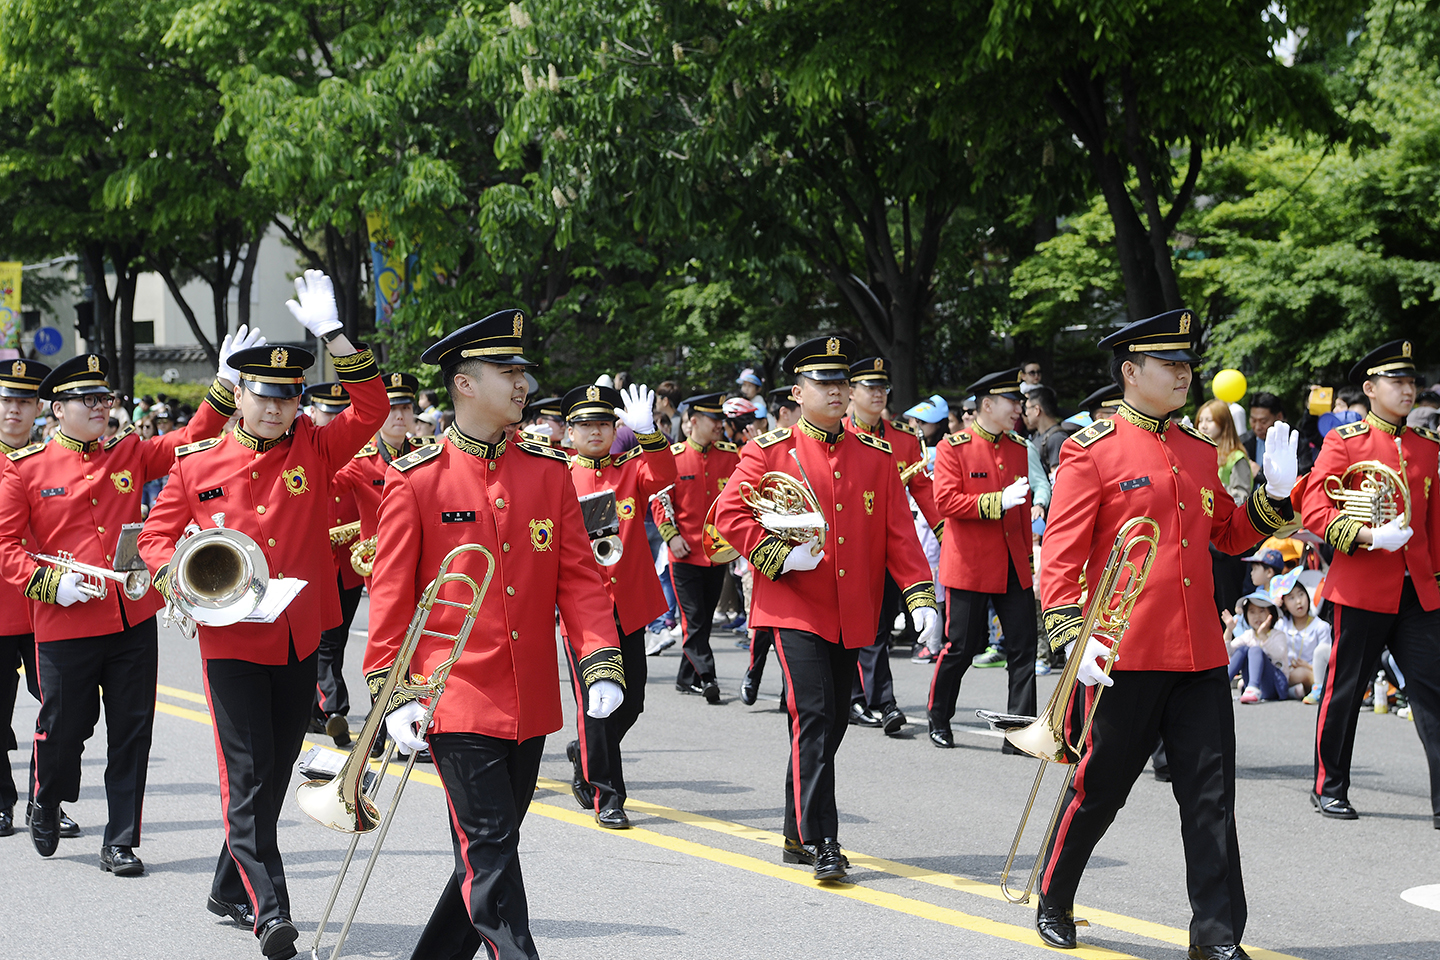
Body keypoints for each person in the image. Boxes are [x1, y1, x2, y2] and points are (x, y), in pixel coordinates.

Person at [362, 308, 624, 960]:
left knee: (489, 852)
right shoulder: (417, 477)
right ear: (463, 385)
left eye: (521, 371)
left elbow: (581, 581)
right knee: (490, 854)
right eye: (505, 372)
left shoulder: (546, 470)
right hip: (453, 699)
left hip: (529, 698)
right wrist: (393, 695)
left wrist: (600, 662)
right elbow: (391, 599)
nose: (522, 384)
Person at [1035, 308, 1298, 958]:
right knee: (1101, 791)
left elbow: (1231, 536)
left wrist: (1280, 497)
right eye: (1169, 364)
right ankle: (1054, 893)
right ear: (1131, 371)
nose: (1184, 373)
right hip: (1125, 653)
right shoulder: (1088, 448)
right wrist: (1073, 636)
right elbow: (1060, 556)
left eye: (1187, 364)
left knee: (1210, 801)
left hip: (1201, 656)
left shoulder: (1198, 451)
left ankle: (1214, 937)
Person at [139, 275, 388, 960]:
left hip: (299, 634)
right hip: (229, 642)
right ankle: (270, 912)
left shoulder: (317, 445)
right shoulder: (197, 464)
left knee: (274, 773)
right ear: (238, 394)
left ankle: (227, 885)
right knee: (247, 777)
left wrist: (334, 336)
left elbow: (372, 406)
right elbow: (157, 539)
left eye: (288, 397)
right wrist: (175, 578)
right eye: (264, 395)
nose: (277, 409)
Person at [0, 335, 254, 874]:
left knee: (132, 730)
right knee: (64, 729)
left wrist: (226, 383)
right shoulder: (24, 469)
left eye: (104, 398)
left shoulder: (132, 453)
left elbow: (195, 436)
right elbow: (6, 550)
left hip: (131, 615)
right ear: (58, 408)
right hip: (66, 621)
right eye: (86, 399)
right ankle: (47, 797)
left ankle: (120, 840)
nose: (99, 407)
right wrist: (50, 584)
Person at [712, 335, 939, 881]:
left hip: (852, 610)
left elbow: (898, 536)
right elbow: (727, 515)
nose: (836, 391)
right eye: (823, 382)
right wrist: (774, 556)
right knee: (813, 717)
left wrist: (920, 594)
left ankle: (796, 829)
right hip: (793, 609)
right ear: (798, 390)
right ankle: (822, 840)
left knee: (833, 720)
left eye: (842, 382)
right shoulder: (769, 450)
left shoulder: (876, 456)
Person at [1300, 339, 1440, 826]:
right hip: (1361, 589)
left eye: (1412, 382)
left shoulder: (1426, 447)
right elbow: (1317, 509)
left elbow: (1435, 526)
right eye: (1398, 381)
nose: (1409, 389)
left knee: (1433, 693)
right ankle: (1329, 786)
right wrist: (1365, 534)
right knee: (1345, 690)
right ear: (1370, 388)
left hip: (1419, 592)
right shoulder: (1345, 442)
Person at [559, 382, 676, 828]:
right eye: (585, 424)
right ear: (570, 431)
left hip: (628, 604)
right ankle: (608, 795)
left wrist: (649, 435)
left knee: (632, 703)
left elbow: (664, 477)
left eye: (604, 424)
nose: (595, 432)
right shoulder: (559, 474)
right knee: (597, 703)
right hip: (582, 612)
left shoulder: (629, 470)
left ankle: (584, 751)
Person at [927, 367, 1037, 749]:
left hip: (1011, 563)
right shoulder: (952, 447)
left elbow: (1021, 513)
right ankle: (939, 716)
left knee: (1023, 648)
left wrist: (1027, 560)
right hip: (971, 565)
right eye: (1011, 401)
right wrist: (994, 502)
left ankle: (1019, 732)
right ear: (986, 405)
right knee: (961, 648)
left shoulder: (1018, 448)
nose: (1018, 408)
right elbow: (945, 501)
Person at [844, 357, 941, 735]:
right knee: (856, 629)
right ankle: (875, 700)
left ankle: (871, 698)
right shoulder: (839, 434)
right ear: (852, 393)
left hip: (888, 547)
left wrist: (947, 533)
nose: (878, 394)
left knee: (878, 628)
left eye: (882, 387)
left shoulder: (902, 438)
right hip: (846, 547)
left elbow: (925, 493)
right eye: (870, 387)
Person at [655, 393, 740, 703]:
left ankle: (684, 677)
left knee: (702, 616)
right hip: (685, 553)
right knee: (694, 619)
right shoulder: (674, 456)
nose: (720, 425)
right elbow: (660, 501)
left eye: (721, 420)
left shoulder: (731, 456)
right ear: (693, 422)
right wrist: (670, 535)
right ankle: (707, 677)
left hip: (718, 554)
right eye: (713, 420)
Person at [301, 381, 366, 748]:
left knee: (335, 641)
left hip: (349, 563)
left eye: (341, 413)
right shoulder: (309, 451)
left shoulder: (356, 454)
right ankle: (334, 708)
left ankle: (313, 707)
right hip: (316, 562)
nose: (335, 419)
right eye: (328, 412)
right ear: (312, 413)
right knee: (324, 642)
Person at [0, 359, 48, 840]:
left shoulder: (53, 456)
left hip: (46, 607)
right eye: (6, 400)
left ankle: (44, 801)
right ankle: (1, 801)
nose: (14, 409)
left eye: (23, 401)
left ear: (38, 408)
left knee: (60, 709)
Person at [1270, 569, 1329, 699]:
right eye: (1291, 598)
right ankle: (1295, 690)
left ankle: (1304, 690)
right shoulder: (1282, 625)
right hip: (1287, 670)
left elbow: (1326, 658)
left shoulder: (1321, 626)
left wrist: (1308, 666)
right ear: (1284, 605)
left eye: (1301, 594)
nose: (1298, 601)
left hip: (1314, 671)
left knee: (1303, 673)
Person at [1223, 593, 1291, 703]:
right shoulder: (1248, 634)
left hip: (1275, 685)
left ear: (1271, 613)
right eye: (1252, 612)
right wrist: (1229, 630)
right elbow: (1228, 652)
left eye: (1262, 611)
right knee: (1242, 649)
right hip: (1257, 685)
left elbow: (1278, 654)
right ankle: (1223, 684)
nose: (1257, 616)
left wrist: (1263, 636)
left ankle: (1253, 688)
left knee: (1255, 650)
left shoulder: (1278, 634)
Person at [1024, 386, 1066, 478]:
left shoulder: (1056, 438)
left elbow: (1057, 478)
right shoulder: (1037, 436)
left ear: (1037, 410)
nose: (1026, 413)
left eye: (1027, 408)